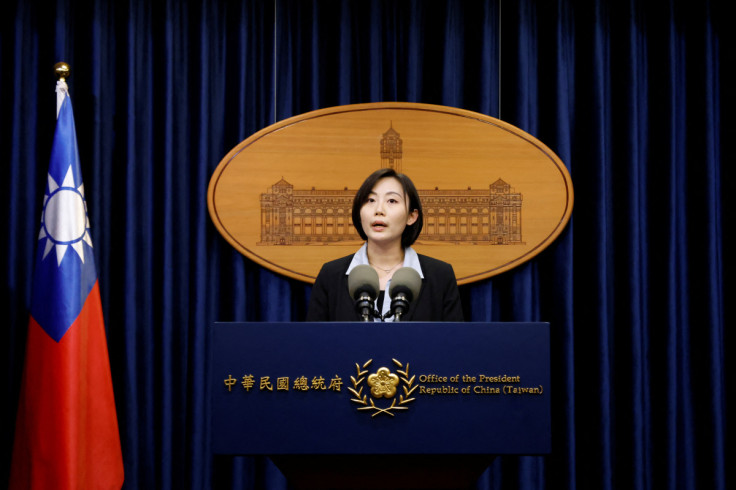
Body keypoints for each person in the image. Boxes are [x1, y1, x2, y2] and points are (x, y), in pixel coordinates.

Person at [306, 168, 464, 322]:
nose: (379, 210)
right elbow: (314, 343)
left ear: (411, 216)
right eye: (370, 200)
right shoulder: (331, 276)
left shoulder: (440, 277)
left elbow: (452, 344)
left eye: (392, 201)